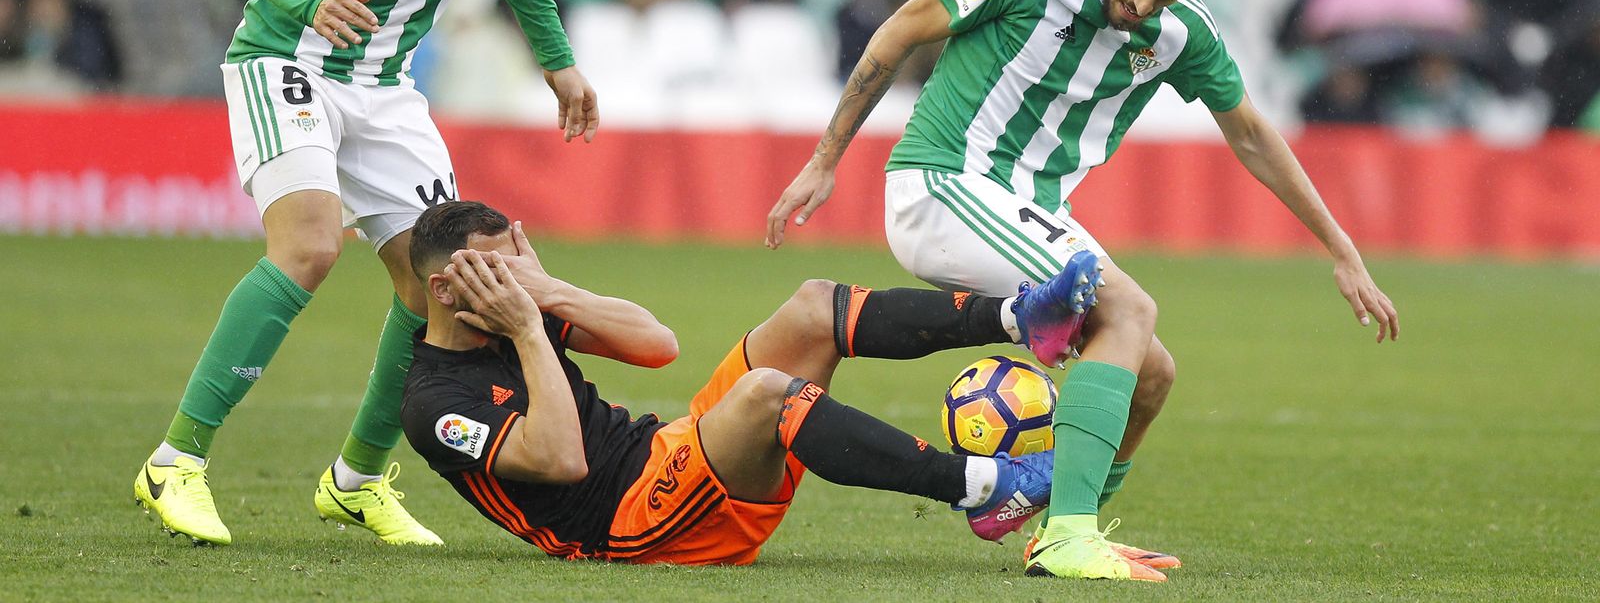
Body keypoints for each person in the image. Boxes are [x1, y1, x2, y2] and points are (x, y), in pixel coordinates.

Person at [766, 0, 1399, 581]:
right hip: (944, 184)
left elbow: (1250, 135)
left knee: (1153, 373)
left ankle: (1061, 525)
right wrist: (825, 161)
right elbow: (900, 28)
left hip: (1028, 212)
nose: (1144, 6)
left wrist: (1342, 249)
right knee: (1129, 307)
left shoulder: (1184, 33)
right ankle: (1069, 534)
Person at [133, 0, 600, 548]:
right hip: (289, 59)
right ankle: (177, 460)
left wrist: (556, 58)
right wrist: (312, 2)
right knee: (309, 246)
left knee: (446, 285)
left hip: (385, 84)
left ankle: (355, 480)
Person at [400, 200, 1150, 565]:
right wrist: (531, 327)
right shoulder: (434, 403)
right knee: (765, 393)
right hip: (630, 527)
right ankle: (985, 487)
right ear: (444, 293)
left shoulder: (513, 311)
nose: (517, 282)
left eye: (517, 262)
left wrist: (546, 290)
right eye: (500, 270)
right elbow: (562, 458)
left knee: (810, 305)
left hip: (666, 453)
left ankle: (1022, 317)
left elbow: (657, 345)